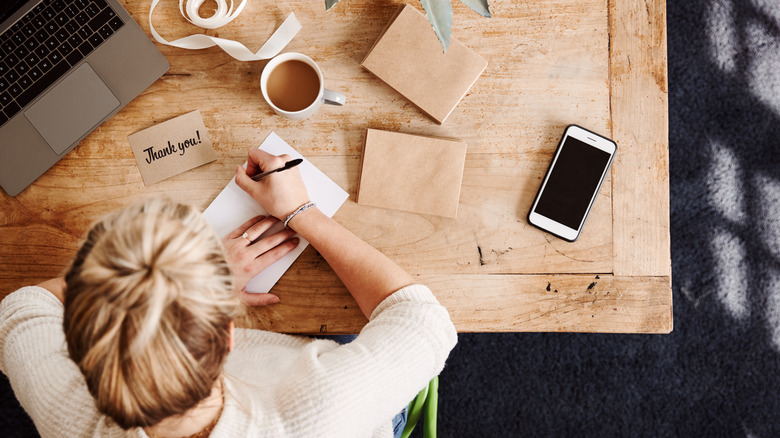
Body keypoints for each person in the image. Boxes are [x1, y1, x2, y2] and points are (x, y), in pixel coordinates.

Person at [0, 149, 457, 438]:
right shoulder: (322, 408)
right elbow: (424, 320)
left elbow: (20, 311)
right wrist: (301, 210)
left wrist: (186, 284)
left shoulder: (68, 414)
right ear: (228, 335)